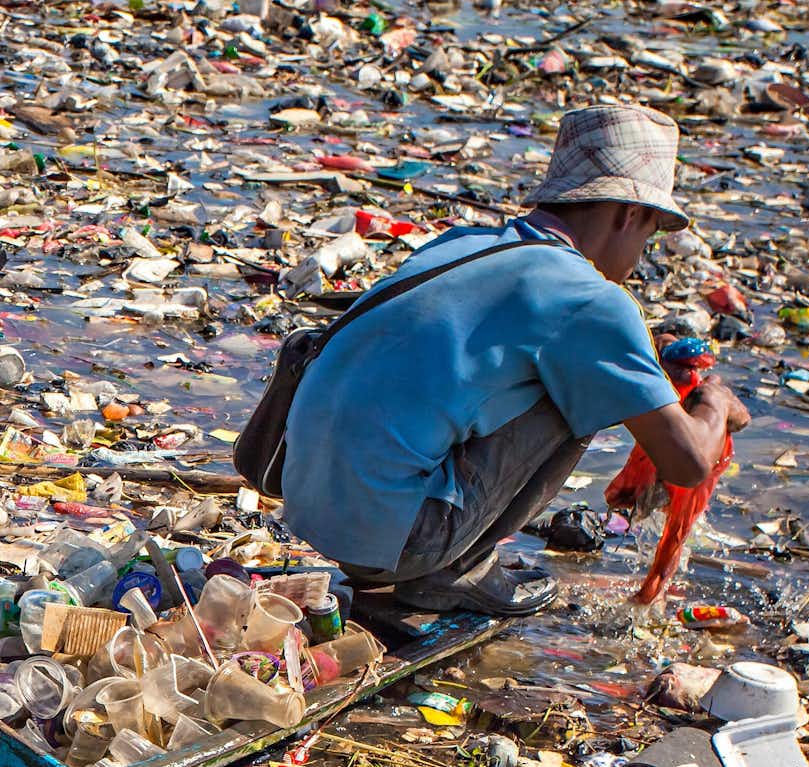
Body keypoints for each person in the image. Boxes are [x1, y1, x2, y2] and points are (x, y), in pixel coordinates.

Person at [278, 103, 749, 617]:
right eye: (647, 234)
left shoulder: (463, 245)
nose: (638, 259)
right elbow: (687, 462)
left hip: (307, 508)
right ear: (627, 214)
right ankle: (453, 570)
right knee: (581, 392)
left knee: (579, 374)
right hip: (397, 543)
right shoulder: (592, 300)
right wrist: (714, 402)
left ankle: (425, 553)